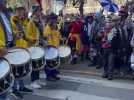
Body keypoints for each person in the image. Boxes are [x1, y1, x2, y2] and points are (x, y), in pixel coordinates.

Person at [10, 7, 33, 98]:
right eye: (18, 11)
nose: (20, 13)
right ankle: (14, 89)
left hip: (23, 47)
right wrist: (17, 33)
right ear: (15, 12)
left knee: (21, 70)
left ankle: (22, 87)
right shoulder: (12, 21)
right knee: (15, 70)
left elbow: (26, 34)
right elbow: (11, 33)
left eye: (22, 11)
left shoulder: (25, 21)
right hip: (15, 48)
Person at [25, 5, 43, 89]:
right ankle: (33, 81)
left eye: (40, 11)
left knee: (38, 64)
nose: (40, 12)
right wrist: (35, 39)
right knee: (34, 64)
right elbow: (27, 35)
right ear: (35, 12)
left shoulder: (39, 21)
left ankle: (37, 80)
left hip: (38, 45)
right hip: (32, 46)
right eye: (39, 11)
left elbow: (40, 33)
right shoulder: (31, 22)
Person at [0, 0, 14, 99]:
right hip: (1, 48)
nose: (5, 4)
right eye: (3, 2)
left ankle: (5, 95)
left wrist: (13, 36)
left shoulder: (4, 14)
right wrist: (1, 47)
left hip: (7, 45)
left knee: (6, 73)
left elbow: (7, 30)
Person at [43, 13, 61, 81]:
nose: (55, 21)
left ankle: (53, 75)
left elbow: (57, 35)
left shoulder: (55, 27)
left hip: (55, 47)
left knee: (54, 63)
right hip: (50, 47)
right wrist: (51, 46)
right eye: (54, 20)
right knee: (49, 63)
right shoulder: (47, 27)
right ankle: (49, 76)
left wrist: (61, 38)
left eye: (56, 20)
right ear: (51, 20)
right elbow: (46, 37)